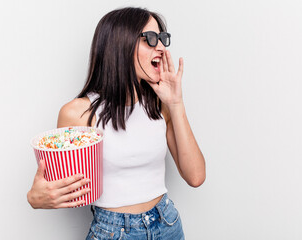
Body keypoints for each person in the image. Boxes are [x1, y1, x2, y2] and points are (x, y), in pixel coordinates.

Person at [27, 7, 206, 239]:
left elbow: (196, 176)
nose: (161, 48)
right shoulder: (77, 112)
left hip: (167, 224)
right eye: (151, 39)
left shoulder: (159, 104)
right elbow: (59, 186)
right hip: (113, 232)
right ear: (120, 45)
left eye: (162, 39)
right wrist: (34, 198)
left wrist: (176, 103)